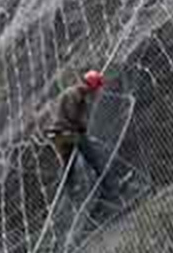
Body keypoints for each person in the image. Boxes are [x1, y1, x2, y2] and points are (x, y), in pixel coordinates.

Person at [46, 70, 121, 200]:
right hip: (68, 133)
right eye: (96, 88)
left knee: (69, 166)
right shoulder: (76, 95)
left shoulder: (75, 93)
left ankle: (73, 193)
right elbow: (72, 116)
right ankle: (109, 188)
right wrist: (82, 128)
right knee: (94, 159)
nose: (96, 92)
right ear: (92, 86)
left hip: (60, 135)